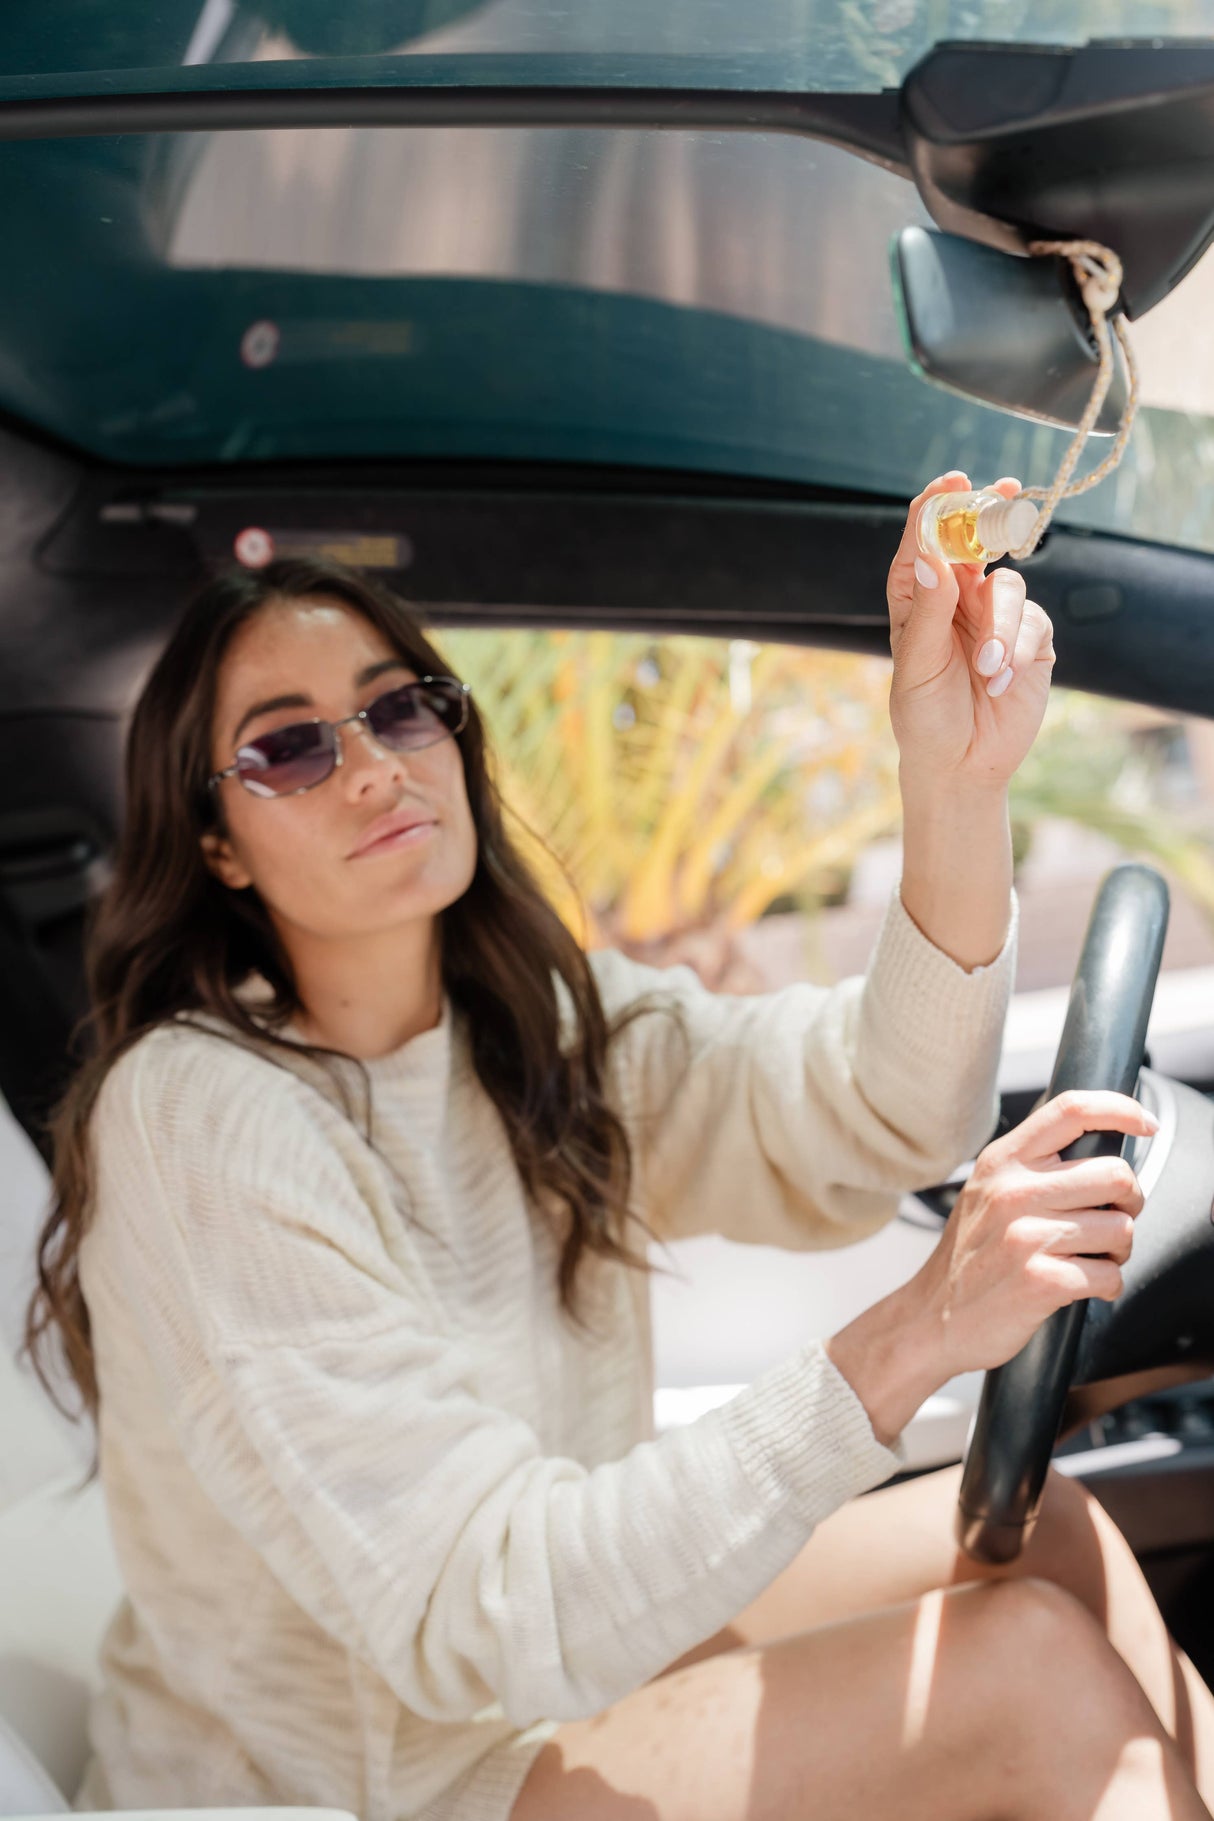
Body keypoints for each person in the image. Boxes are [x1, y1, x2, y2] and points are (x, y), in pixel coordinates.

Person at [24, 471, 1213, 1821]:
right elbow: (485, 1615)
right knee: (1025, 1676)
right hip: (368, 1780)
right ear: (216, 843)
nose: (372, 763)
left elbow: (881, 1109)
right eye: (289, 747)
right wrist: (915, 1327)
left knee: (1051, 1537)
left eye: (400, 705)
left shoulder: (539, 1036)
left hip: (547, 1674)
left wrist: (952, 782)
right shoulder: (203, 1113)